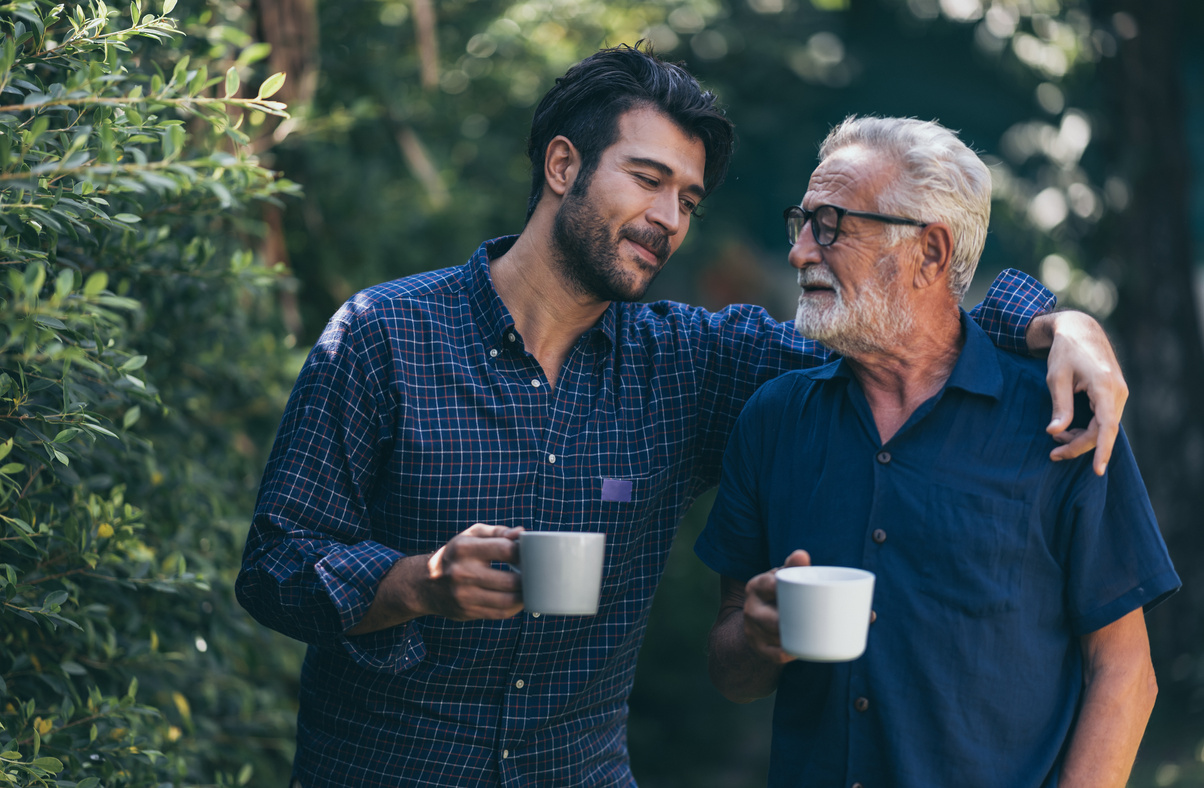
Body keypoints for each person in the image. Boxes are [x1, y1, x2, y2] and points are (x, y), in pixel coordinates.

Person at [236, 45, 1128, 786]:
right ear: (562, 165)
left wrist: (1054, 322)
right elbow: (275, 562)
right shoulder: (388, 334)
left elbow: (896, 325)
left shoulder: (692, 365)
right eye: (649, 179)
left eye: (689, 200)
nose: (669, 219)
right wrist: (415, 584)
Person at [697, 116, 1179, 788]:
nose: (801, 251)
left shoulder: (1062, 417)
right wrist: (755, 638)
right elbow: (731, 672)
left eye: (831, 225)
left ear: (930, 253)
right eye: (801, 224)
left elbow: (1125, 672)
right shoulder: (773, 420)